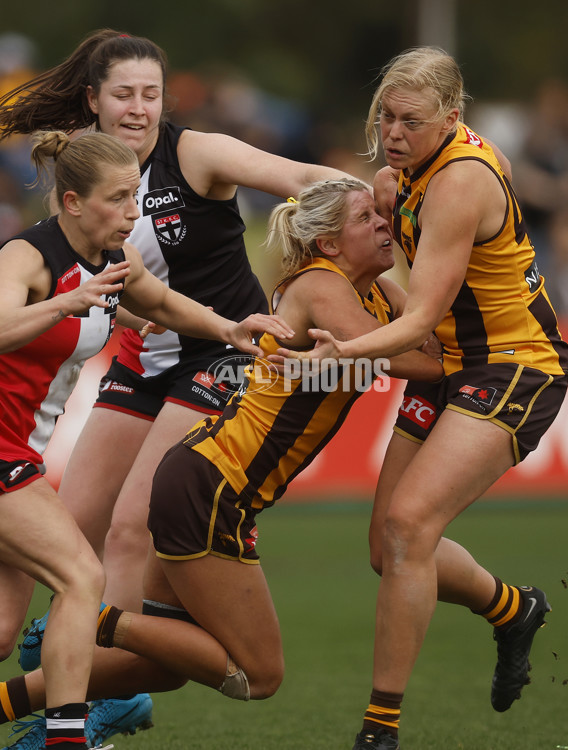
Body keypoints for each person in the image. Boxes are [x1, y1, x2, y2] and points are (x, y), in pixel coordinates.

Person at [0, 27, 361, 735]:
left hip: (221, 356)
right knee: (70, 535)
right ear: (92, 101)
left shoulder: (194, 152)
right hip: (148, 360)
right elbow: (121, 295)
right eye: (125, 94)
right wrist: (75, 306)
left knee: (129, 534)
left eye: (152, 95)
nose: (140, 108)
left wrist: (382, 200)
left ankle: (89, 707)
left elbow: (296, 178)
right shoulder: (80, 181)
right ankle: (99, 673)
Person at [0, 178, 444, 750]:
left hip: (202, 480)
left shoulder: (375, 291)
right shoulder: (323, 285)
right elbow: (429, 362)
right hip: (214, 489)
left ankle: (19, 697)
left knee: (164, 665)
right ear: (330, 244)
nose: (385, 223)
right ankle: (97, 622)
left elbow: (429, 340)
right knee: (260, 675)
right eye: (368, 217)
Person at [274, 48, 568, 750]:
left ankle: (379, 733)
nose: (395, 131)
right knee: (387, 546)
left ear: (452, 118)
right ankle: (513, 608)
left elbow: (416, 319)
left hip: (514, 366)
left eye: (411, 119)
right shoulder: (396, 177)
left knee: (409, 528)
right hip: (452, 367)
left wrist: (342, 351)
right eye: (386, 115)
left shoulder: (461, 181)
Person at [0, 128, 295, 750]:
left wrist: (231, 329)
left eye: (137, 196)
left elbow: (161, 303)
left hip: (16, 452)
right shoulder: (28, 257)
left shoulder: (111, 263)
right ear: (73, 202)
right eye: (119, 200)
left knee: (4, 630)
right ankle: (65, 739)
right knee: (82, 578)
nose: (135, 213)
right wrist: (66, 303)